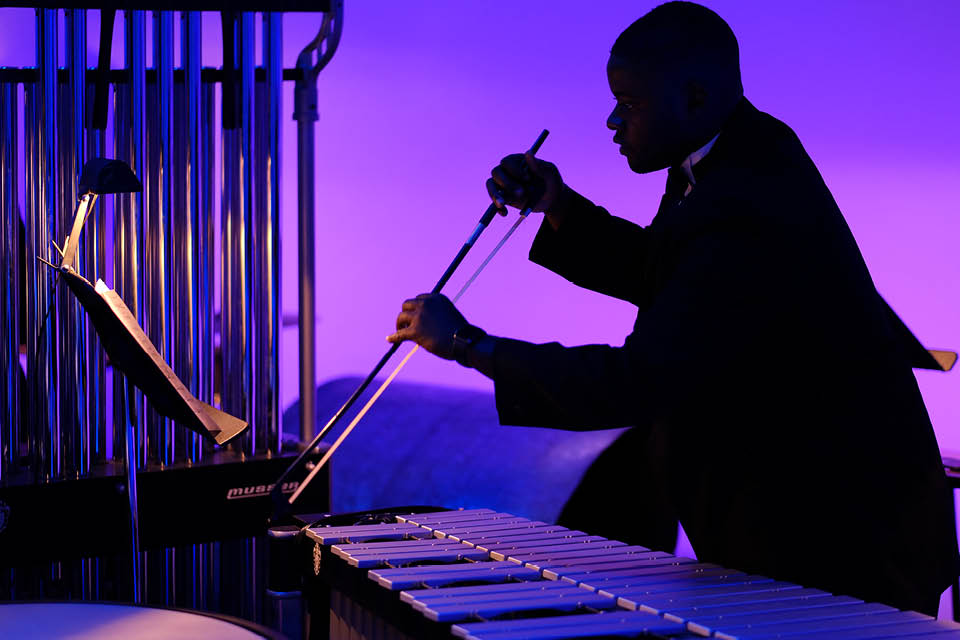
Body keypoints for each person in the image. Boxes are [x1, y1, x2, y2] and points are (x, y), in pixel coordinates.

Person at [387, 1, 958, 615]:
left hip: (844, 540)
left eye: (630, 104)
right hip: (810, 520)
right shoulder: (733, 151)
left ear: (694, 97)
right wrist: (559, 206)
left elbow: (641, 380)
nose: (612, 120)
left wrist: (470, 345)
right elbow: (671, 271)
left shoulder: (748, 198)